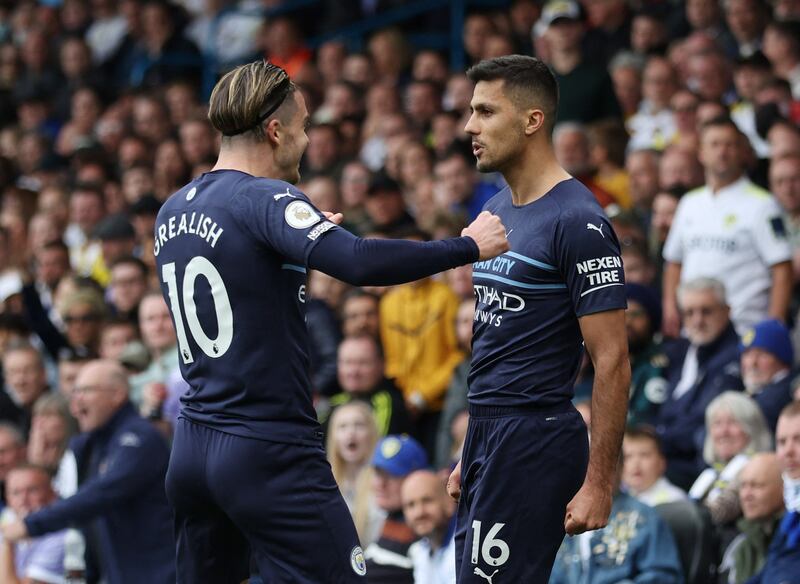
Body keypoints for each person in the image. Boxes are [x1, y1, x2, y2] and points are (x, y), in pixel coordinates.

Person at [155, 60, 507, 583]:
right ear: (275, 131)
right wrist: (468, 246)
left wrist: (300, 244)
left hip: (191, 449)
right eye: (302, 127)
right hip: (265, 447)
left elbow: (243, 279)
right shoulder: (266, 198)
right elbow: (360, 262)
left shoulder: (171, 210)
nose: (306, 139)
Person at [447, 55, 630, 583]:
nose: (469, 126)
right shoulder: (494, 211)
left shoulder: (580, 220)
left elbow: (613, 359)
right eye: (470, 110)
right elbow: (494, 343)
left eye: (485, 111)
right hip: (489, 435)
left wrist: (600, 481)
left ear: (532, 121)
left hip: (533, 440)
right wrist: (471, 447)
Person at [0, 360, 175, 584]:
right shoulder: (91, 445)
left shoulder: (139, 438)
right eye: (74, 392)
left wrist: (32, 525)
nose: (76, 401)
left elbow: (101, 494)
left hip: (157, 574)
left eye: (85, 391)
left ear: (117, 394)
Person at [662, 116, 793, 336]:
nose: (722, 152)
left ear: (742, 152)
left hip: (744, 329)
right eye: (714, 144)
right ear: (701, 153)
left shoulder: (763, 204)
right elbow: (674, 262)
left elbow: (782, 269)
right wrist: (669, 308)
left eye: (729, 145)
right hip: (693, 329)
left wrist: (774, 326)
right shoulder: (689, 203)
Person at [657, 277, 744, 489]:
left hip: (696, 466)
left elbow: (702, 421)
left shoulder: (736, 357)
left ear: (727, 311)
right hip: (666, 456)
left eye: (706, 311)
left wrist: (657, 439)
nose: (697, 320)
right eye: (689, 312)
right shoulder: (679, 351)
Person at [689, 392, 772, 526]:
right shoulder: (714, 472)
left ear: (751, 428)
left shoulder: (755, 468)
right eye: (717, 423)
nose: (723, 432)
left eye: (732, 422)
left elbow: (724, 509)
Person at [748, 402, 800, 583]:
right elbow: (769, 573)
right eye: (782, 442)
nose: (788, 451)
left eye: (798, 439)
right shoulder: (793, 511)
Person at [366, 435, 428, 584]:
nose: (380, 484)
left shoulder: (424, 527)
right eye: (378, 473)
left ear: (415, 479)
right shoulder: (391, 516)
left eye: (391, 475)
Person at [719, 453, 785, 584]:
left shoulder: (793, 541)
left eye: (757, 485)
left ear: (783, 488)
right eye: (743, 486)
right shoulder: (739, 549)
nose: (746, 495)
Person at [0, 464, 66, 584]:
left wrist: (7, 541)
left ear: (52, 493)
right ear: (7, 499)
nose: (23, 500)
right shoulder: (7, 523)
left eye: (32, 490)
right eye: (16, 493)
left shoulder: (60, 536)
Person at [402, 470, 457, 584]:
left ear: (449, 502)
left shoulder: (464, 548)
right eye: (411, 505)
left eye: (427, 501)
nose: (419, 512)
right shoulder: (419, 552)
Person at [740, 319, 795, 431]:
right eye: (747, 354)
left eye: (762, 354)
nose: (752, 363)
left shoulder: (782, 394)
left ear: (782, 358)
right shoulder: (759, 391)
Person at [622, 425, 687, 507]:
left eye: (644, 455)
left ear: (661, 463)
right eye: (627, 456)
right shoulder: (614, 500)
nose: (635, 463)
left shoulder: (674, 500)